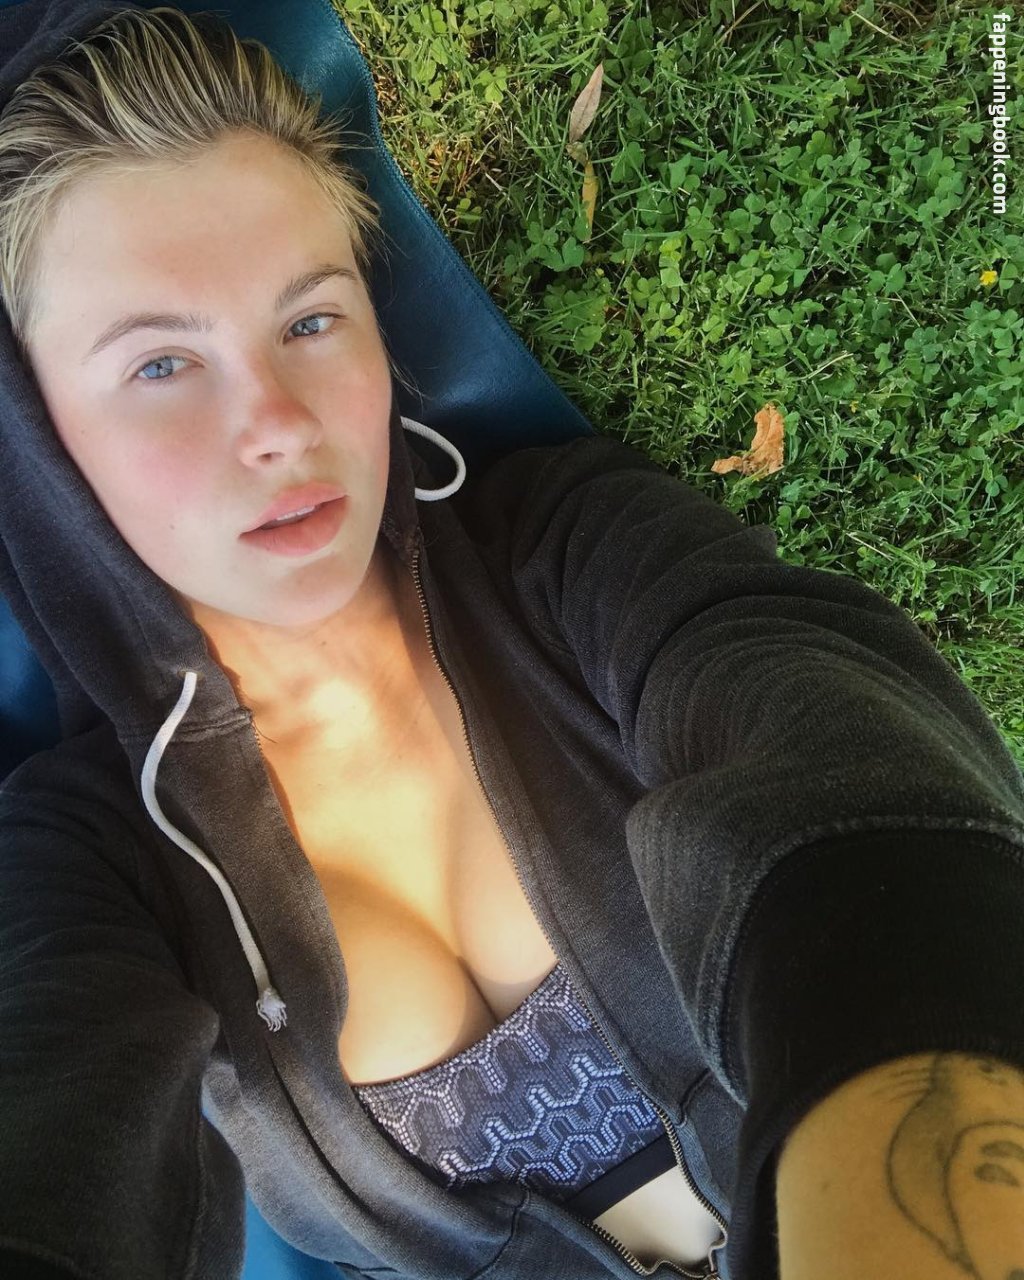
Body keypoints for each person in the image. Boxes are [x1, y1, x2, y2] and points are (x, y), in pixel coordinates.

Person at [0, 5, 1022, 1280]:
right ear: (42, 440)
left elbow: (832, 746)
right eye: (159, 364)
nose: (278, 424)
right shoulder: (83, 852)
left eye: (311, 321)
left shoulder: (568, 555)